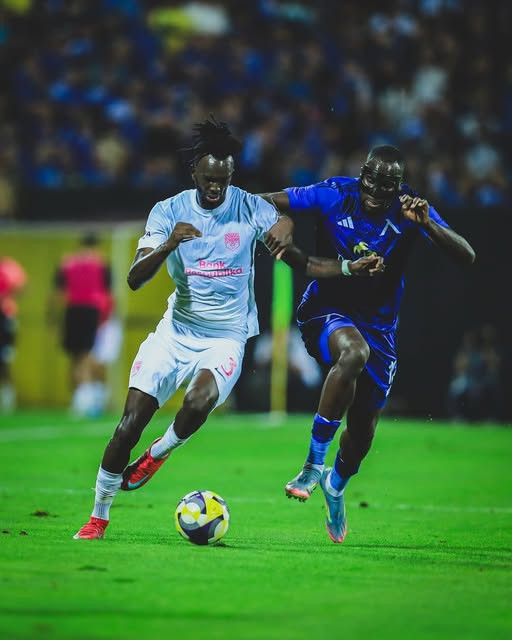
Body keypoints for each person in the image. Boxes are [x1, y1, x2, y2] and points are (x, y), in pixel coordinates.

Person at [73, 117, 388, 539]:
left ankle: (159, 452)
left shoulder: (248, 207)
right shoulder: (168, 211)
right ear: (195, 174)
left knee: (198, 401)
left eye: (223, 179)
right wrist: (169, 244)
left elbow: (301, 260)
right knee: (129, 424)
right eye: (209, 179)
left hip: (226, 337)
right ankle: (98, 517)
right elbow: (134, 278)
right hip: (175, 332)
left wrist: (346, 266)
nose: (216, 187)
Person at [261, 144, 476, 543]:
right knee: (352, 352)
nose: (376, 192)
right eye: (371, 181)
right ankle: (312, 465)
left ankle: (335, 485)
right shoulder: (333, 194)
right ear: (361, 175)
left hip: (380, 329)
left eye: (387, 185)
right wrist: (284, 220)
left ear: (399, 186)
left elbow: (467, 255)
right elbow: (262, 200)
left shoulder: (410, 211)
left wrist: (428, 225)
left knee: (362, 434)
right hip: (326, 310)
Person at [52, 232, 113, 416]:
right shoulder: (101, 263)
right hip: (92, 311)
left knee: (74, 356)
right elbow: (109, 293)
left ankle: (78, 398)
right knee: (86, 355)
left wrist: (55, 319)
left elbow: (58, 293)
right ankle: (85, 399)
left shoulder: (67, 262)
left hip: (72, 310)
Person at [0, 256, 27, 412]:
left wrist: (9, 293)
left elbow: (23, 288)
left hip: (5, 316)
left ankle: (7, 397)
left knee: (5, 358)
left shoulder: (10, 267)